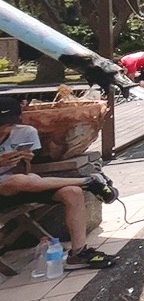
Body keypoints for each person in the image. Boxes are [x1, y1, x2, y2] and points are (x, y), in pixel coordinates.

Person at [0, 98, 117, 270]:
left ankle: (78, 254)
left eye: (6, 126)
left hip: (23, 183)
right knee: (18, 181)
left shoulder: (25, 133)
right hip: (7, 188)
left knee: (72, 193)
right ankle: (88, 182)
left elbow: (25, 170)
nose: (2, 130)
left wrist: (25, 160)